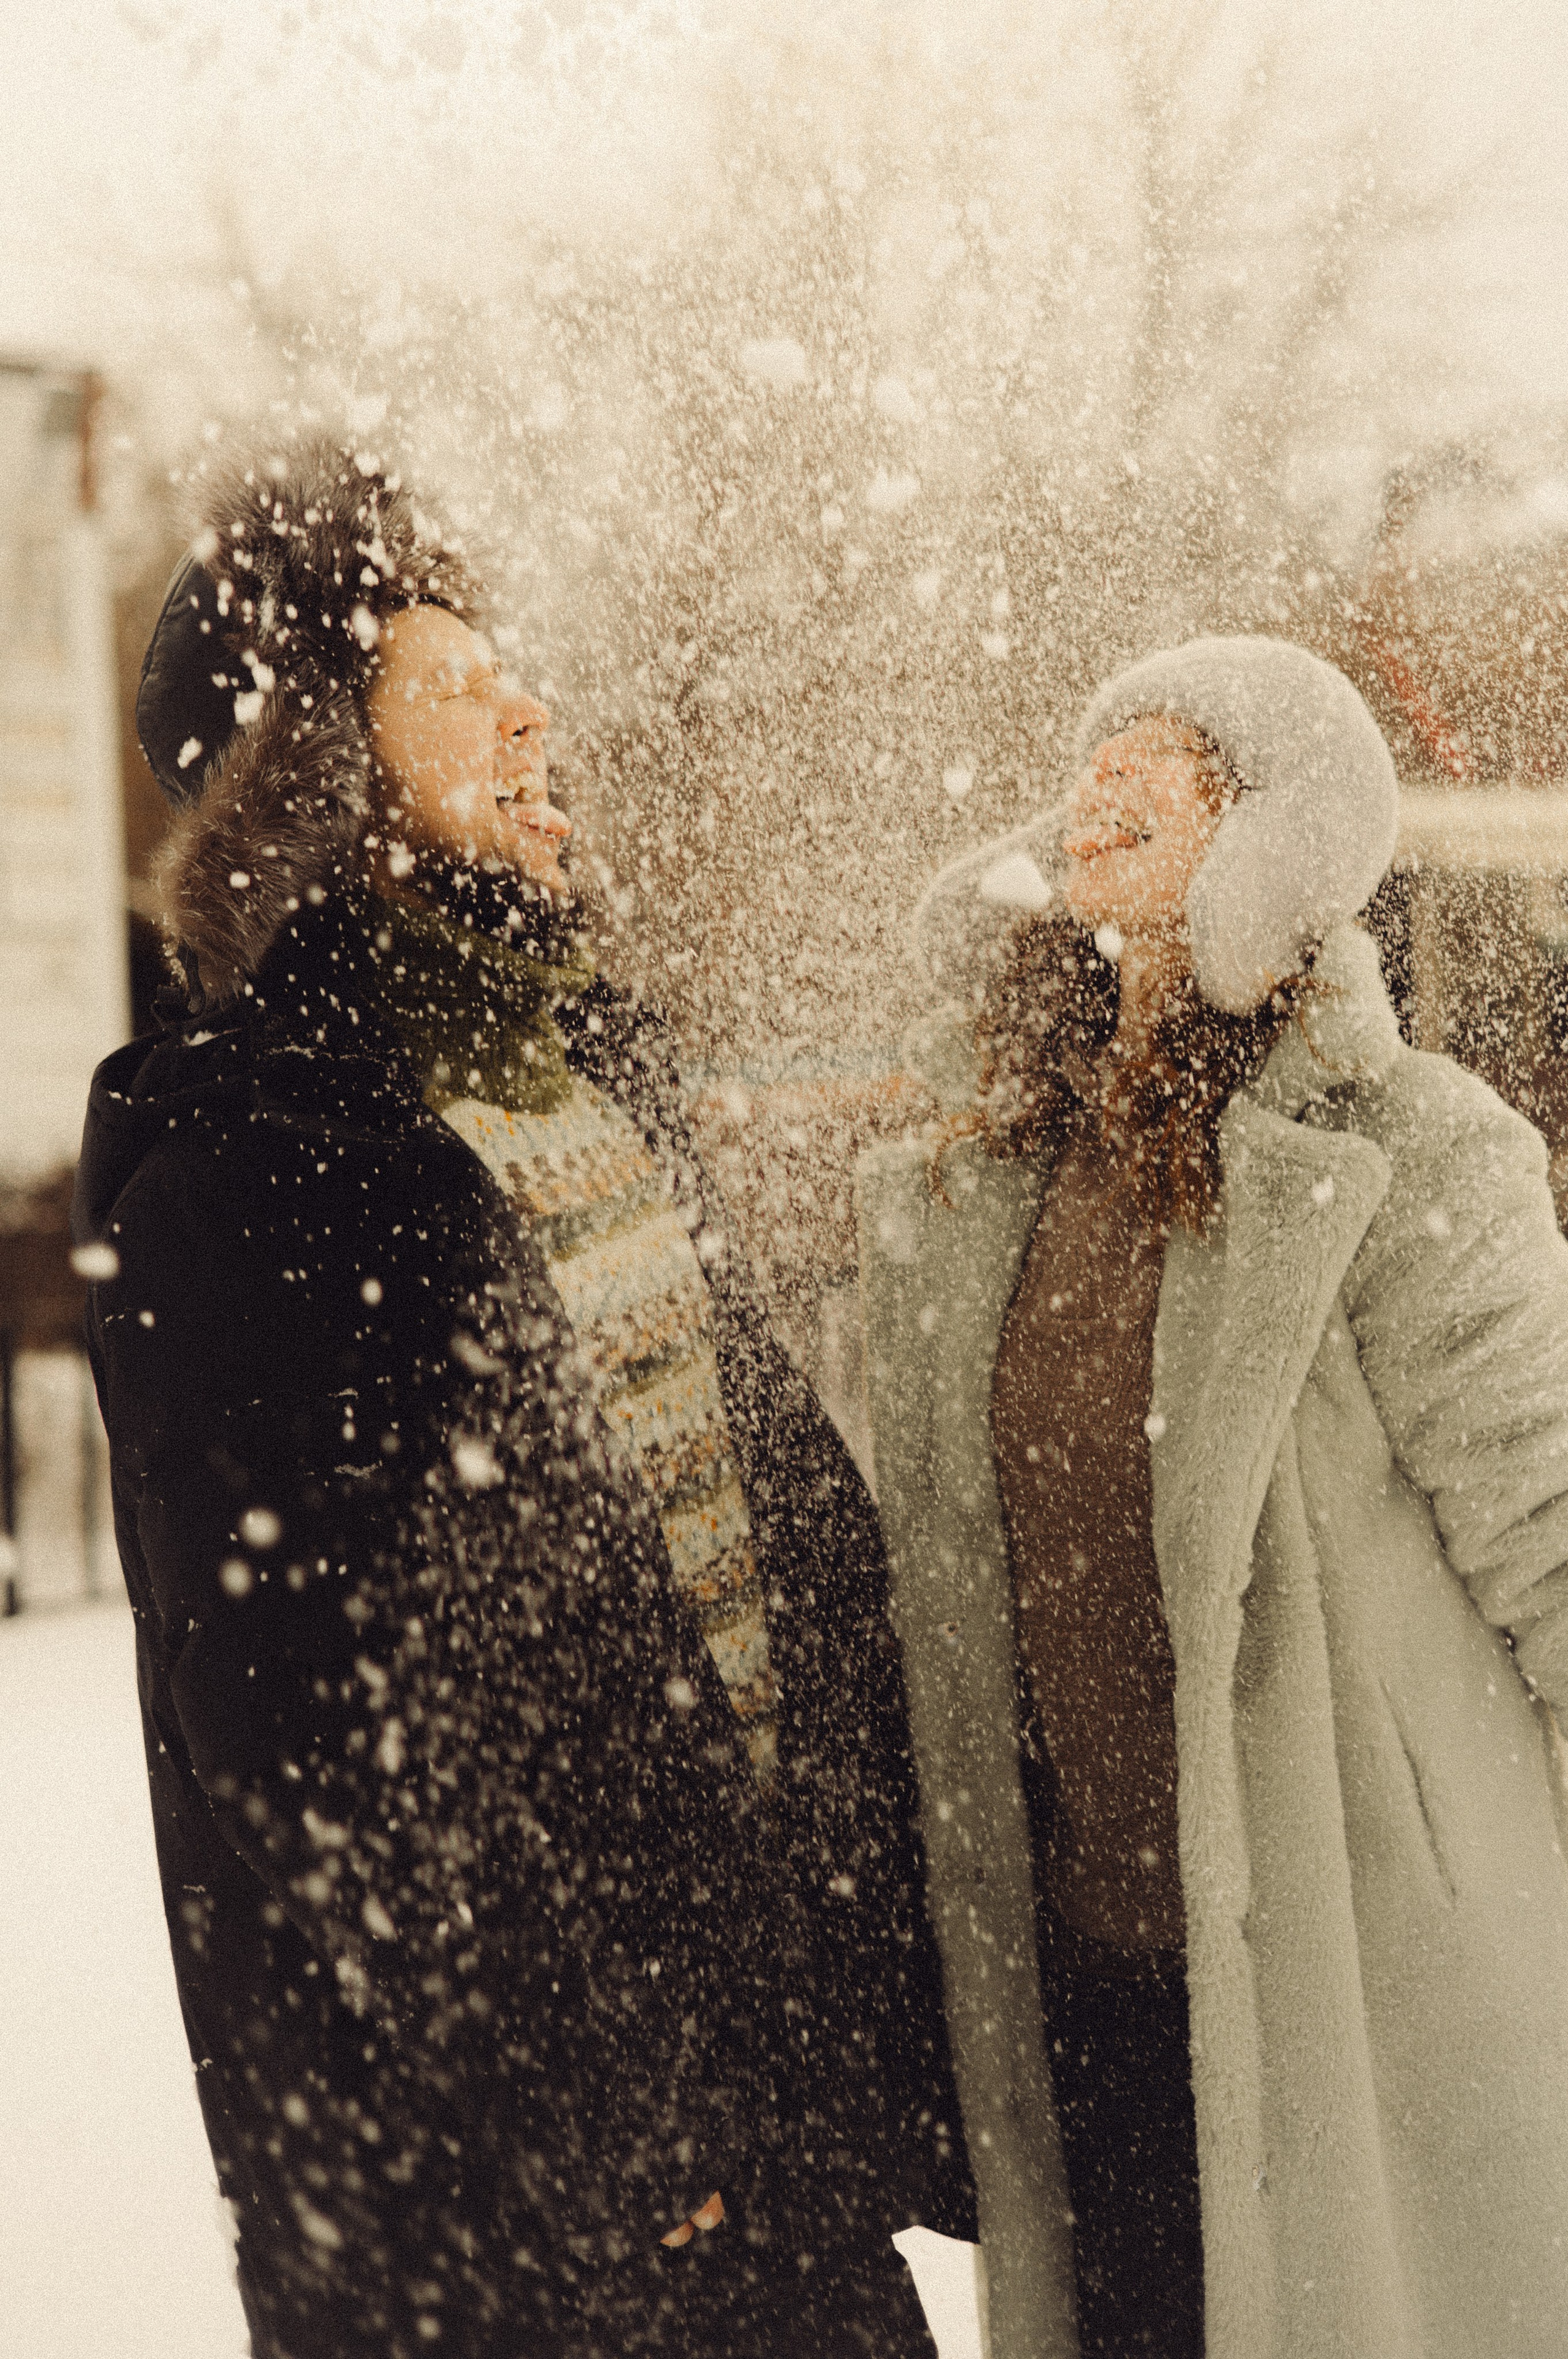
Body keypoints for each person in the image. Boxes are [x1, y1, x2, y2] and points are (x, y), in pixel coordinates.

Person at [74, 439, 973, 2359]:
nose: (531, 710)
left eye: (516, 673)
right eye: (459, 691)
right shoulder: (253, 1167)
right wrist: (619, 2126)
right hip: (523, 2203)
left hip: (763, 2114)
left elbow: (766, 1536)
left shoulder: (585, 1079)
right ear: (319, 775)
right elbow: (315, 1736)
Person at [856, 635, 1568, 2359]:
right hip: (1096, 1981)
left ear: (1280, 836)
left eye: (1161, 765)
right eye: (1090, 760)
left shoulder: (1414, 1155)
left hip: (1365, 1964)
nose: (1095, 792)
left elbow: (1557, 1532)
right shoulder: (994, 1174)